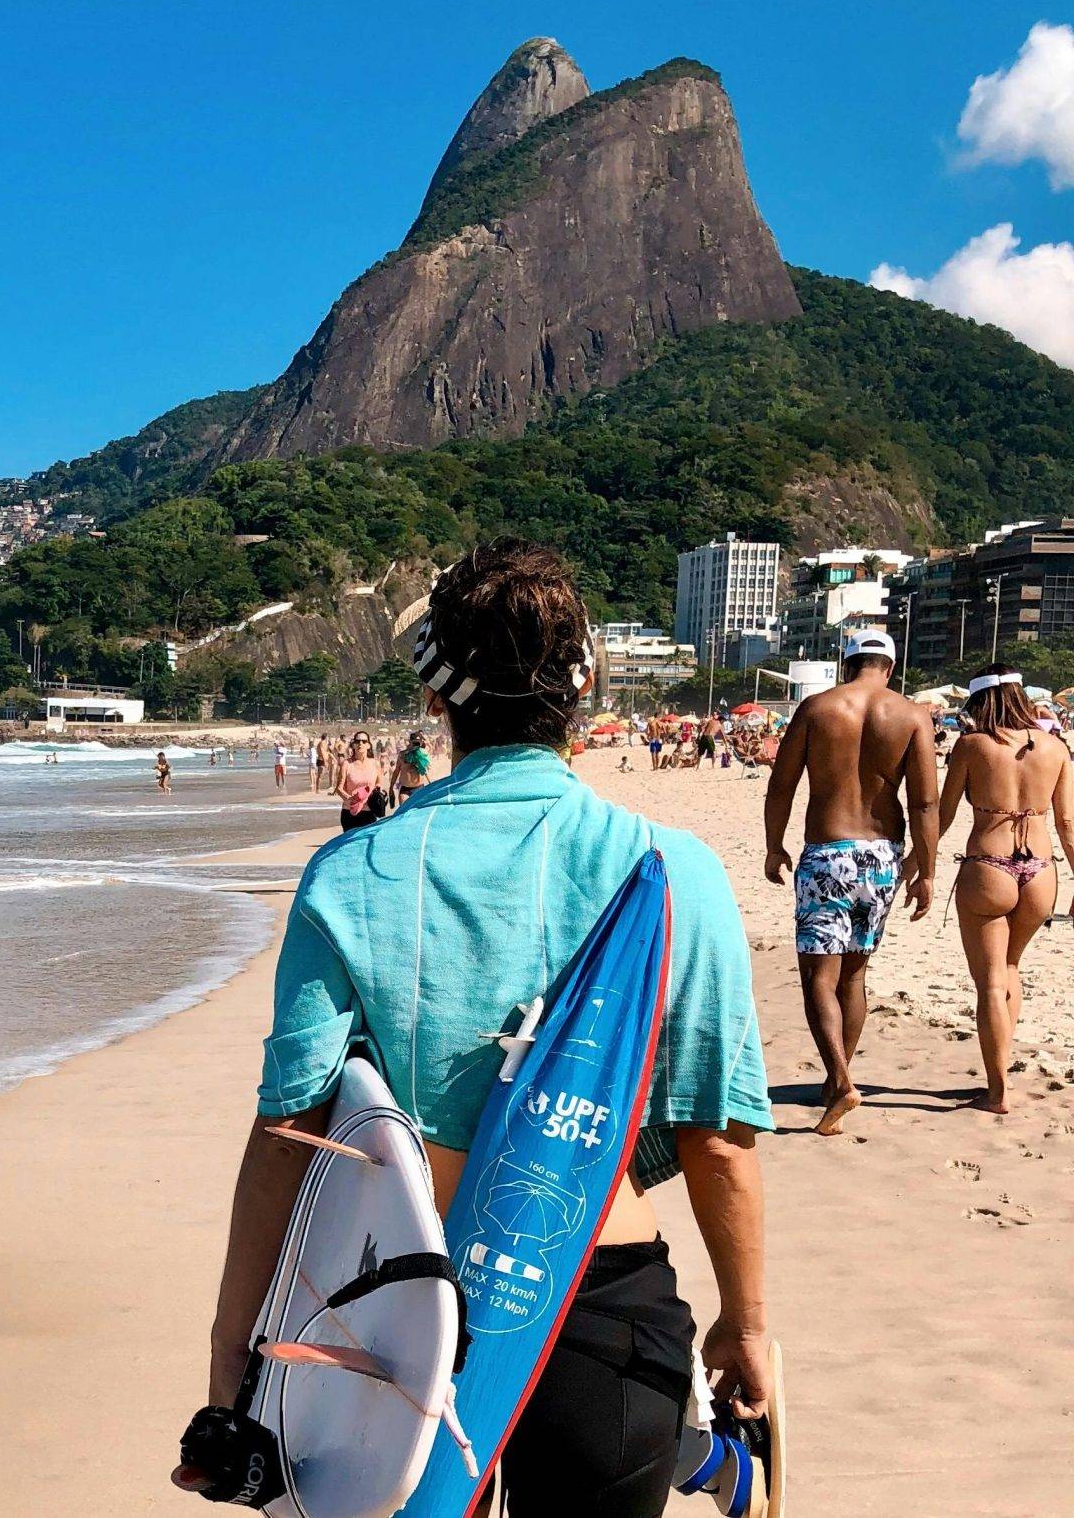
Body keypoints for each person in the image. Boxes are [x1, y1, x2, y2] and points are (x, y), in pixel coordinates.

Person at [176, 540, 772, 1515]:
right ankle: (724, 1465)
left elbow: (292, 1128)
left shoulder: (353, 873)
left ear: (436, 697)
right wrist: (745, 1324)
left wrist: (228, 1365)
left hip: (402, 1318)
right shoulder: (674, 872)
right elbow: (718, 1144)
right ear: (587, 689)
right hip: (602, 1307)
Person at [763, 628, 938, 1136]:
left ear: (848, 663)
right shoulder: (911, 715)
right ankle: (837, 1076)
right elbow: (925, 803)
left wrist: (774, 845)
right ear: (890, 666)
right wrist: (925, 870)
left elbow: (782, 784)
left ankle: (839, 1081)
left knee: (818, 977)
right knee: (854, 976)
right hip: (881, 857)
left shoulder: (818, 708)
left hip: (827, 854)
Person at [937, 666, 1074, 1113]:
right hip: (1041, 870)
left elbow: (943, 815)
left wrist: (915, 865)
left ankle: (997, 1092)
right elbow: (1067, 824)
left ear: (978, 703)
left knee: (990, 982)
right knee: (1011, 966)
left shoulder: (972, 746)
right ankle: (1001, 1071)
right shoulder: (1055, 748)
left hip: (988, 866)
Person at [332, 729, 386, 830]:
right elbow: (339, 788)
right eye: (357, 741)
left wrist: (378, 793)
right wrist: (351, 799)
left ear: (368, 745)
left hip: (369, 811)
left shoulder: (375, 764)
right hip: (350, 811)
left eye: (364, 741)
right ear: (353, 745)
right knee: (349, 844)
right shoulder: (347, 764)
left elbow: (379, 783)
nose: (360, 744)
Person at [390, 728, 433, 803]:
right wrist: (391, 787)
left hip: (419, 788)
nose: (417, 744)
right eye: (415, 742)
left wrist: (431, 786)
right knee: (404, 812)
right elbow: (396, 771)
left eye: (418, 742)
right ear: (410, 741)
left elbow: (426, 771)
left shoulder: (423, 754)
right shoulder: (402, 755)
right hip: (405, 789)